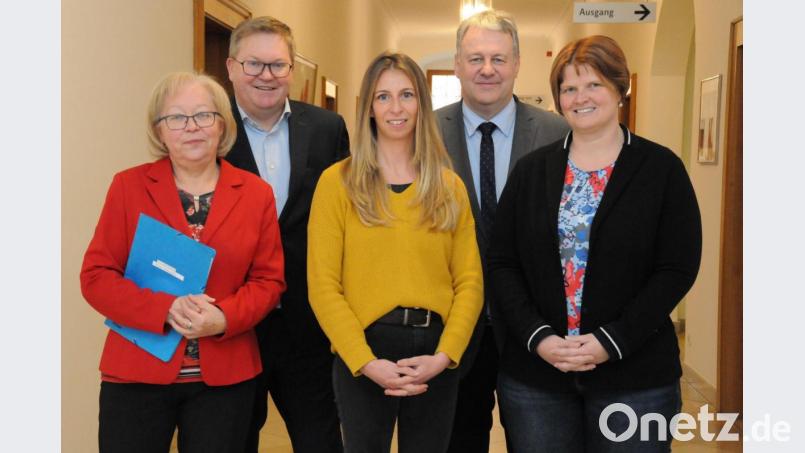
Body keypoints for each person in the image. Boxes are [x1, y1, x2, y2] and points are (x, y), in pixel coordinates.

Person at [488, 35, 703, 452]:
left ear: (621, 89)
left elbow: (676, 267)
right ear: (558, 99)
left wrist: (613, 340)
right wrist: (539, 337)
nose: (580, 97)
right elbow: (502, 262)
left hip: (635, 377)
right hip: (538, 377)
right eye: (569, 88)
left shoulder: (661, 169)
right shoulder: (532, 171)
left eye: (594, 85)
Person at [80, 72, 286, 452]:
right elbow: (96, 277)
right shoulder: (128, 187)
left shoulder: (256, 194)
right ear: (159, 131)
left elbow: (269, 281)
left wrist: (223, 317)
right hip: (136, 374)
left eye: (203, 115)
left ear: (222, 124)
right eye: (176, 118)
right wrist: (166, 308)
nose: (191, 128)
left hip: (224, 380)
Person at [307, 51, 483, 453]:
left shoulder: (448, 186)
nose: (396, 108)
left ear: (422, 103)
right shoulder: (338, 184)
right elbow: (323, 285)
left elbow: (470, 281)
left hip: (434, 353)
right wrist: (365, 361)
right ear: (368, 106)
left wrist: (445, 356)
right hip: (363, 352)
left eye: (406, 95)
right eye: (383, 97)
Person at [435, 9, 569, 452]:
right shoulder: (426, 134)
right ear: (457, 65)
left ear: (516, 63)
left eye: (498, 58)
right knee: (457, 440)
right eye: (475, 59)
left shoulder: (558, 133)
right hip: (453, 327)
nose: (487, 69)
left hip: (536, 326)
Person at [223, 16, 350, 453]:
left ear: (292, 70)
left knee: (321, 440)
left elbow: (345, 222)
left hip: (307, 324)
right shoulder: (210, 131)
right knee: (233, 439)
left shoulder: (327, 129)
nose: (266, 76)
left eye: (277, 65)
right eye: (254, 64)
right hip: (233, 323)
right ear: (231, 68)